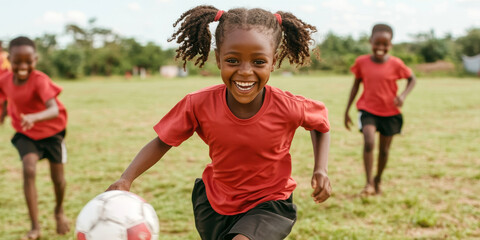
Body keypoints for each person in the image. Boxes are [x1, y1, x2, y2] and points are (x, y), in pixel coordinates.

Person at [107, 5, 331, 240]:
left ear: (273, 61)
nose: (245, 72)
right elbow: (163, 141)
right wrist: (126, 178)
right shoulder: (198, 104)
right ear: (218, 58)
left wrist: (321, 169)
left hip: (270, 203)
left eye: (258, 62)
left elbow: (320, 124)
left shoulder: (288, 106)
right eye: (233, 60)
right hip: (215, 205)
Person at [0, 36, 69, 240]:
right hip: (25, 132)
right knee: (28, 168)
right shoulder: (4, 79)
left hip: (52, 132)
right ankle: (35, 227)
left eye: (28, 62)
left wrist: (34, 117)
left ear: (35, 59)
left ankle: (59, 210)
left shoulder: (39, 80)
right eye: (17, 62)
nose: (22, 66)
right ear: (8, 59)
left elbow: (53, 109)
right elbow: (4, 98)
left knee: (58, 180)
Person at [344, 24, 416, 196]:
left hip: (390, 112)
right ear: (371, 41)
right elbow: (355, 86)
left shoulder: (396, 64)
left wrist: (403, 96)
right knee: (369, 142)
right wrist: (346, 110)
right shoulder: (362, 62)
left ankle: (378, 179)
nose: (380, 48)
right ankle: (368, 183)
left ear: (390, 44)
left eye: (385, 44)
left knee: (384, 150)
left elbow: (412, 79)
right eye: (377, 43)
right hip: (368, 109)